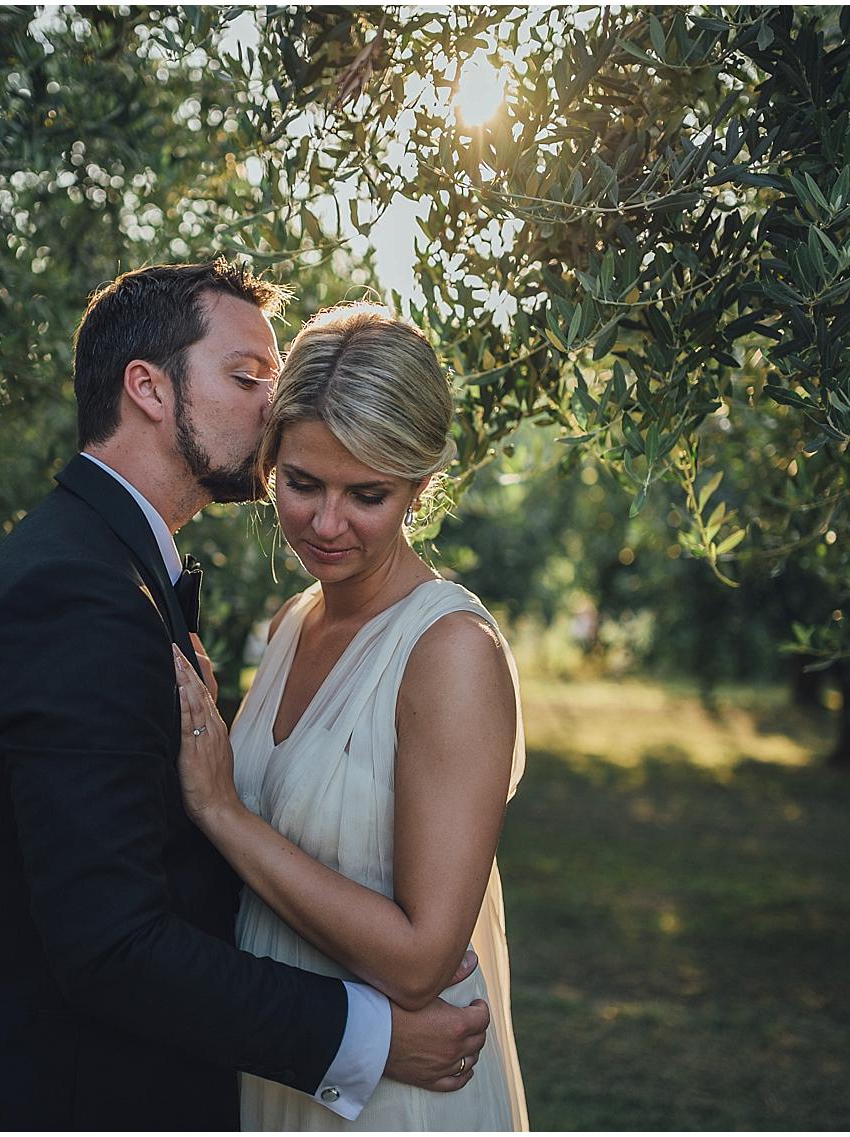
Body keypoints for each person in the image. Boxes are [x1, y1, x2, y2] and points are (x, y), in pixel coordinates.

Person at [0, 263, 491, 1130]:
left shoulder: (115, 572)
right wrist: (369, 1038)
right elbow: (110, 944)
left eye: (366, 492)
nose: (271, 410)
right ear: (148, 388)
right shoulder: (76, 593)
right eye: (248, 377)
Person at [173, 303, 530, 1130]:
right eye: (301, 483)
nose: (325, 524)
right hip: (291, 1069)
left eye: (367, 494)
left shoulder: (450, 652)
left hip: (397, 1101)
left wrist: (222, 809)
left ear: (420, 484)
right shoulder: (290, 624)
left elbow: (420, 960)